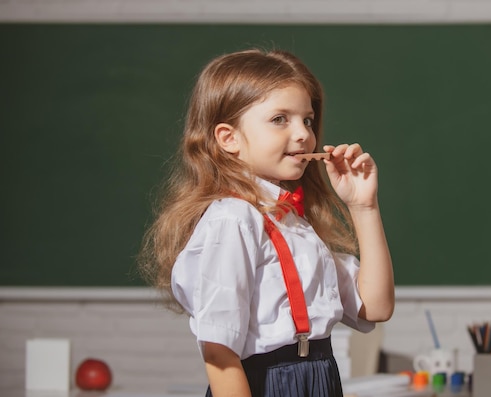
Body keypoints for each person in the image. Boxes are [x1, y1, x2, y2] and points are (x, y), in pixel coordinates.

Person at [138, 48, 395, 397]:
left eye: (307, 119)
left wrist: (364, 207)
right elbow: (219, 352)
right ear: (228, 138)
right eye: (280, 119)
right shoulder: (233, 219)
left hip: (319, 379)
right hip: (268, 383)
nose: (304, 133)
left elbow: (376, 307)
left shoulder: (294, 223)